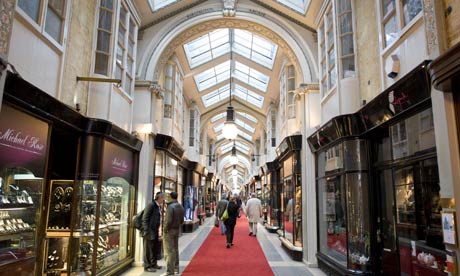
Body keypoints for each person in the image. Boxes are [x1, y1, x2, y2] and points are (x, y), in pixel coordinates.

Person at [161, 192, 184, 276]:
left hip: (169, 231)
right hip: (176, 230)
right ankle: (176, 268)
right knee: (175, 249)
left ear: (171, 197)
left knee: (168, 250)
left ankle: (169, 270)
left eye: (168, 196)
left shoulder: (170, 207)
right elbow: (182, 220)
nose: (167, 197)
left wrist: (165, 229)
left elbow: (168, 221)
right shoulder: (180, 206)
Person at [142, 191, 164, 272]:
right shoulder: (151, 205)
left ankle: (153, 263)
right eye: (163, 197)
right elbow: (145, 218)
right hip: (149, 231)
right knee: (148, 249)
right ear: (159, 198)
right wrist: (146, 231)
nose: (163, 199)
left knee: (154, 248)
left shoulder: (158, 206)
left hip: (155, 230)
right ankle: (147, 266)